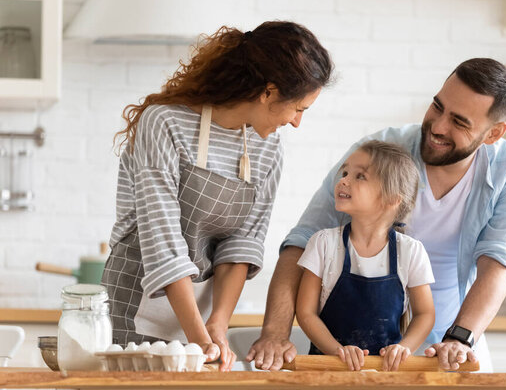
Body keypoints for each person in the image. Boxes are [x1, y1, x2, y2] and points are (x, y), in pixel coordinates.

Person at [247, 58, 506, 372]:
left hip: (453, 351)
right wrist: (275, 334)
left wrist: (460, 338)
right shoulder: (380, 153)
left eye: (459, 122)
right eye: (437, 107)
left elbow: (497, 265)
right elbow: (302, 241)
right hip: (365, 358)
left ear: (493, 133)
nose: (438, 127)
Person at [102, 21, 333, 371]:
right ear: (268, 92)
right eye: (298, 108)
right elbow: (162, 240)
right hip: (136, 304)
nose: (297, 122)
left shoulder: (268, 148)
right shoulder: (164, 123)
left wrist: (217, 324)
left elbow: (243, 243)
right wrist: (198, 335)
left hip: (203, 315)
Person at [295, 141, 435, 371]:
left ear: (392, 199)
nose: (344, 180)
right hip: (326, 371)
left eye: (360, 176)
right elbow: (306, 313)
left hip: (385, 376)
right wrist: (337, 352)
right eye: (346, 172)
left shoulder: (410, 251)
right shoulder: (322, 243)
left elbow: (425, 313)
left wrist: (404, 348)